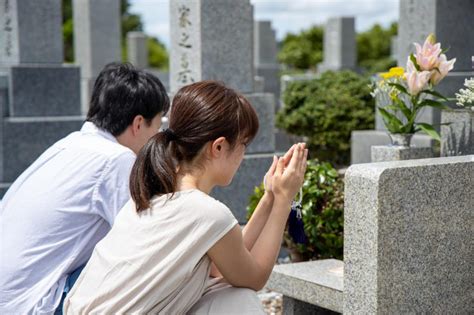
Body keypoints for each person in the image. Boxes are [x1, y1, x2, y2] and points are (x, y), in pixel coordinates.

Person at [64, 80, 308, 314]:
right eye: (243, 144)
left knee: (230, 295)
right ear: (219, 147)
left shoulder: (156, 192)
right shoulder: (207, 212)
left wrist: (269, 198)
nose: (242, 156)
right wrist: (284, 199)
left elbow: (221, 267)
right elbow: (254, 277)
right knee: (240, 299)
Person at [0, 62, 169, 314]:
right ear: (138, 124)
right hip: (33, 303)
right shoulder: (116, 160)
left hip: (10, 296)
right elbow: (147, 242)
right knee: (152, 271)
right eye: (157, 127)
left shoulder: (68, 145)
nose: (158, 137)